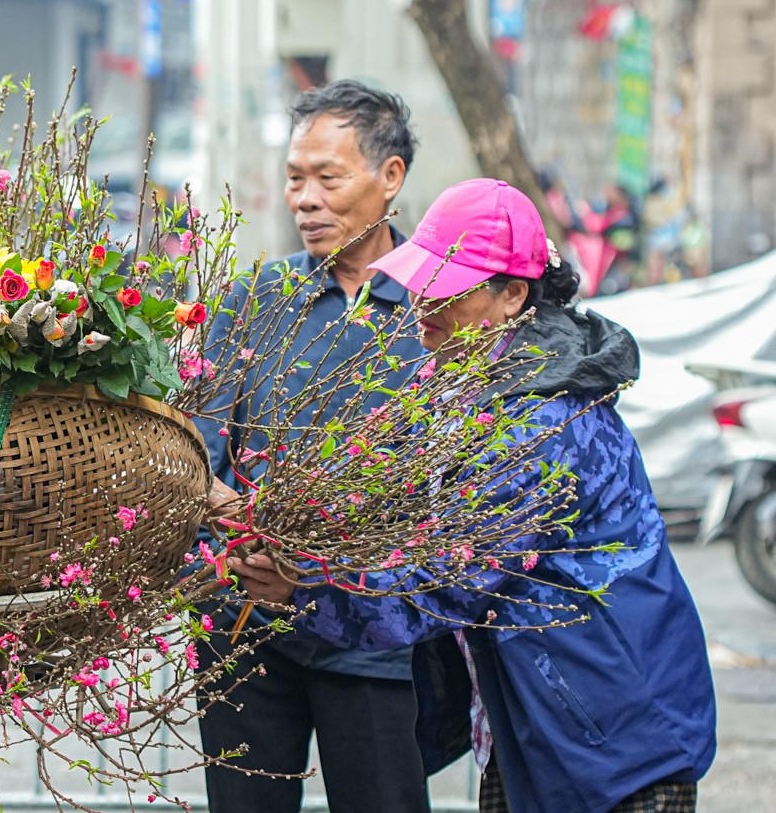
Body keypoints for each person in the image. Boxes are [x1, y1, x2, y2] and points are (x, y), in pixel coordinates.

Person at [229, 178, 718, 813]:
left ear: (513, 295)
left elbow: (444, 580)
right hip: (532, 727)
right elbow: (382, 498)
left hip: (613, 741)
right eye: (420, 285)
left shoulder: (542, 426)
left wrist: (304, 588)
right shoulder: (458, 384)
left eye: (444, 292)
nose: (420, 308)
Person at [192, 79, 430, 813]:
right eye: (296, 178)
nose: (306, 198)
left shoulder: (435, 310)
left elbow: (442, 488)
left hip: (369, 633)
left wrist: (319, 568)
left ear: (390, 178)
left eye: (329, 177)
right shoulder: (257, 297)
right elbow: (197, 444)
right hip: (242, 626)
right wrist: (229, 515)